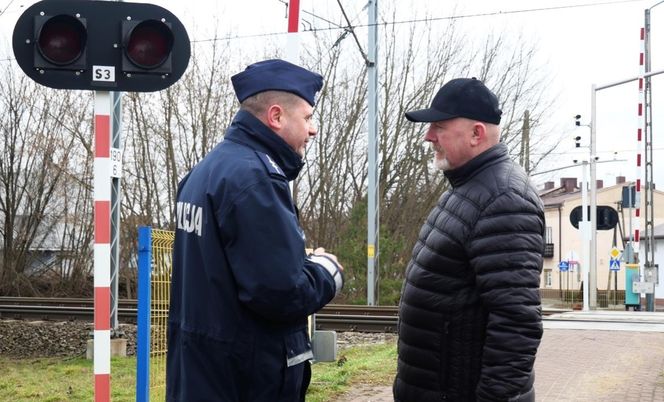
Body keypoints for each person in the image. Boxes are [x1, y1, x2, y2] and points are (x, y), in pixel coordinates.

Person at [166, 59, 344, 402]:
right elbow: (282, 294)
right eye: (307, 118)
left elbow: (227, 269)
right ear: (276, 117)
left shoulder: (206, 171)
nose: (313, 130)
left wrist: (293, 260)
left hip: (203, 373)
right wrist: (326, 271)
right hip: (244, 381)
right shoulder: (255, 180)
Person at [393, 78, 545, 402]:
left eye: (439, 126)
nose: (428, 136)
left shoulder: (504, 200)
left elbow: (516, 324)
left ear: (477, 133)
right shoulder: (470, 189)